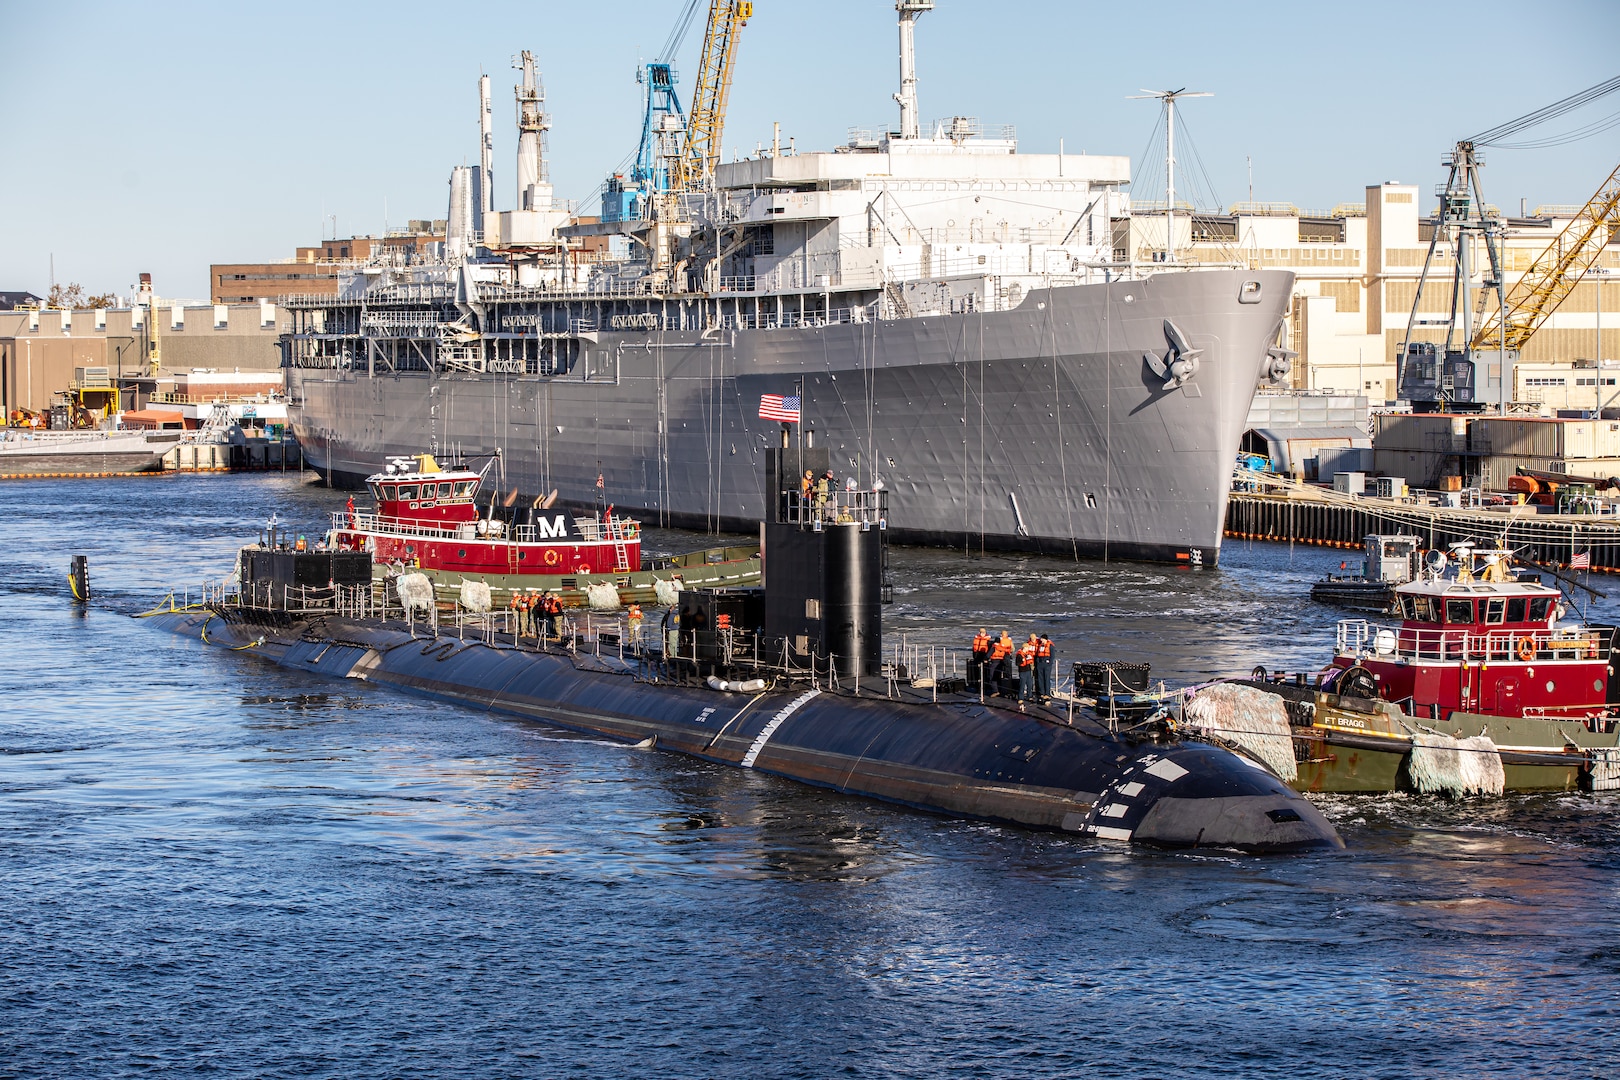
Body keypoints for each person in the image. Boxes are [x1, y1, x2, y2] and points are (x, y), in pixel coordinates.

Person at [1017, 634, 1038, 702]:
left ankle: (1030, 696)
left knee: (1030, 684)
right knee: (1022, 685)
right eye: (1027, 648)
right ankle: (1020, 698)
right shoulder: (1019, 655)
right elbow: (1017, 663)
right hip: (1022, 671)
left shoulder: (1028, 654)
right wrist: (1021, 661)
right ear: (1024, 648)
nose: (1028, 649)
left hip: (1028, 670)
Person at [1036, 634, 1055, 700]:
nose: (1041, 640)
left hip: (1047, 664)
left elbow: (1052, 656)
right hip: (1040, 664)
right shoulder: (1040, 645)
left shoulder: (1050, 646)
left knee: (1046, 678)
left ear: (1045, 639)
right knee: (1040, 679)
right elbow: (1038, 654)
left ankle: (1047, 693)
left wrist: (1049, 663)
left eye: (1042, 639)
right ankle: (1042, 693)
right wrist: (1038, 662)